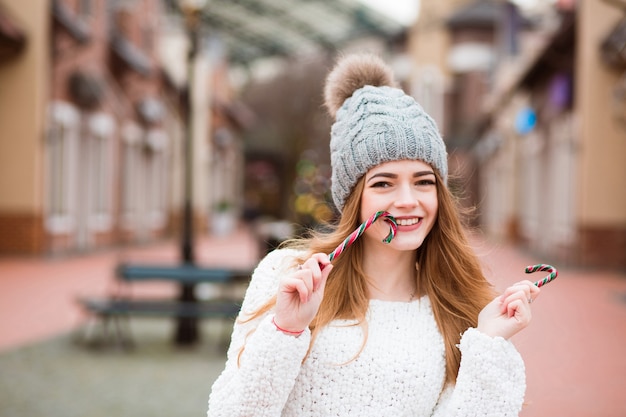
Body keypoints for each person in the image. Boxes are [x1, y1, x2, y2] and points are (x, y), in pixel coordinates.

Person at [207, 53, 540, 417]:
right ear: (354, 198)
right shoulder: (288, 275)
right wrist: (285, 330)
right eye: (383, 183)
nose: (407, 201)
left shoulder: (457, 306)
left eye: (423, 182)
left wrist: (488, 343)